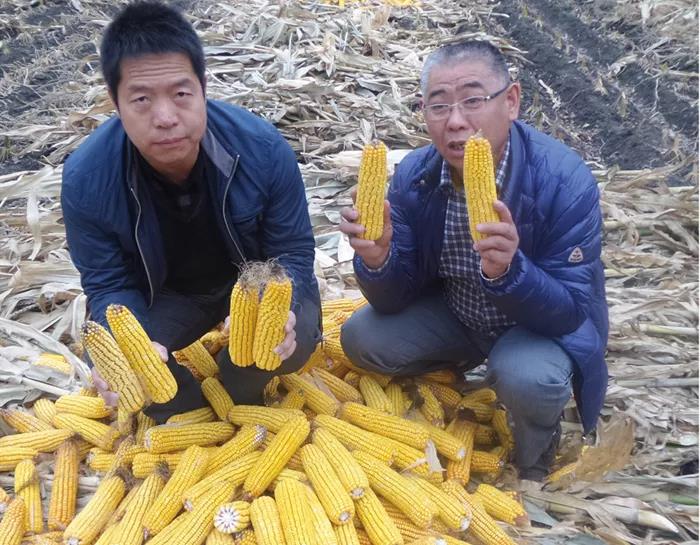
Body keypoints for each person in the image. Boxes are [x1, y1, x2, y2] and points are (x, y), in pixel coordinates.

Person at [339, 40, 608, 481]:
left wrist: (511, 271)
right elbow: (395, 297)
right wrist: (378, 258)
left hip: (534, 328)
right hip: (460, 315)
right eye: (439, 106)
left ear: (511, 101)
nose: (456, 121)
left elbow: (572, 311)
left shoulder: (564, 181)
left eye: (473, 100)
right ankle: (453, 379)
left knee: (527, 377)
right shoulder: (415, 176)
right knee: (362, 337)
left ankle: (536, 454)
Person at [61, 1, 321, 422]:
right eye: (141, 99)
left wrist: (281, 307)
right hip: (169, 298)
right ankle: (187, 407)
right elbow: (108, 284)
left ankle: (240, 383)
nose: (165, 118)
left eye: (181, 95)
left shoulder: (262, 149)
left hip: (252, 287)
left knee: (288, 346)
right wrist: (133, 349)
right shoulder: (86, 179)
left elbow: (292, 249)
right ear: (115, 102)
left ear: (203, 88)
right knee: (124, 367)